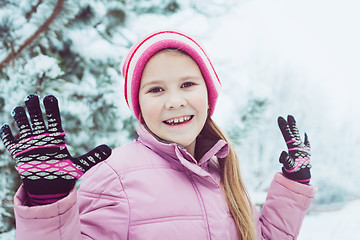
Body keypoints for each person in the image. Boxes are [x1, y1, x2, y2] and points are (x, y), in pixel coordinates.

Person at [0, 30, 316, 240]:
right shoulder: (114, 178)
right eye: (156, 89)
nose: (175, 101)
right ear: (139, 105)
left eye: (188, 84)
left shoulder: (222, 175)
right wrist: (48, 202)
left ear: (209, 96)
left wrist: (294, 184)